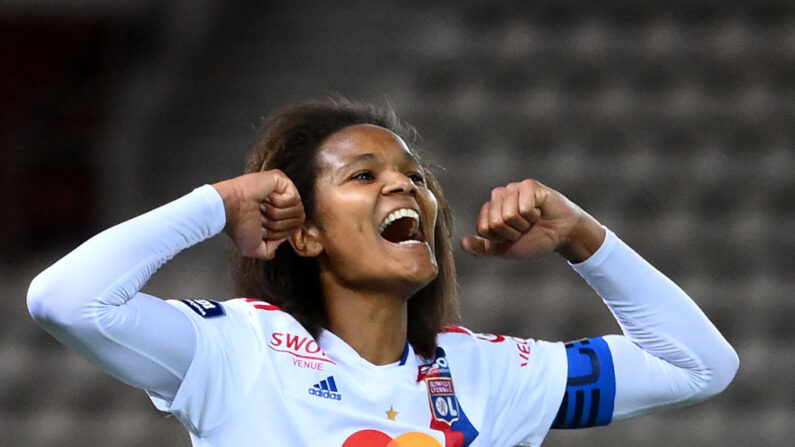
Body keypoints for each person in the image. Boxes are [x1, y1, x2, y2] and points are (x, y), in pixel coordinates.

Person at [27, 98, 738, 447]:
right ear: (303, 232)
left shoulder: (487, 372)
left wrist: (584, 237)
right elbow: (65, 301)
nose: (406, 189)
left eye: (414, 176)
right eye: (363, 176)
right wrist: (213, 204)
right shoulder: (233, 349)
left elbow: (697, 367)